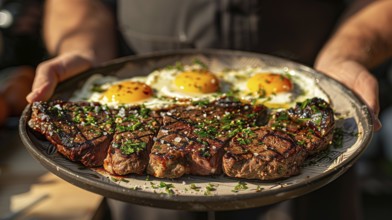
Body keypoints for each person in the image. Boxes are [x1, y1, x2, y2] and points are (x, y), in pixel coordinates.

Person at [25, 0, 392, 219]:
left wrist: (348, 53)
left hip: (304, 187)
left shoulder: (296, 110)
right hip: (140, 187)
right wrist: (85, 52)